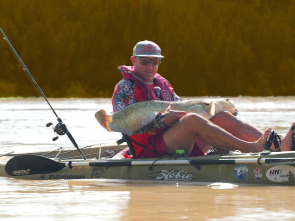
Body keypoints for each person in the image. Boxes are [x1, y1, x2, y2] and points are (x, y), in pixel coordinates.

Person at [112, 40, 295, 158]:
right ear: (133, 60)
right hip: (149, 149)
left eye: (155, 61)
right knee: (192, 120)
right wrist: (161, 121)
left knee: (219, 116)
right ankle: (252, 148)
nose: (150, 66)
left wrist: (218, 109)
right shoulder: (125, 88)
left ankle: (274, 149)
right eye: (145, 61)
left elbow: (182, 107)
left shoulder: (163, 82)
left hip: (174, 140)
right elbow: (123, 125)